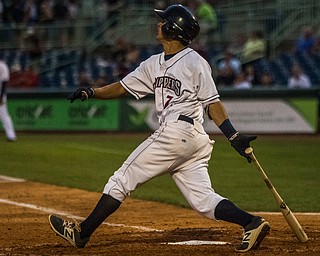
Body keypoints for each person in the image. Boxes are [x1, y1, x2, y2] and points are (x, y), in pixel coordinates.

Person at [48, 4, 270, 252]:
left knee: (121, 179)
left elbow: (212, 102)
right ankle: (251, 222)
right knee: (203, 200)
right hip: (193, 141)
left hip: (177, 132)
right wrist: (92, 92)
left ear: (173, 28)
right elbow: (122, 87)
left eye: (163, 20)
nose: (158, 23)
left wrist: (232, 134)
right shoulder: (153, 63)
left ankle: (82, 233)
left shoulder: (195, 62)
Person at [0, 58, 17, 141]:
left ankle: (11, 135)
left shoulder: (2, 66)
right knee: (4, 115)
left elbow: (4, 82)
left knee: (4, 115)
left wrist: (1, 96)